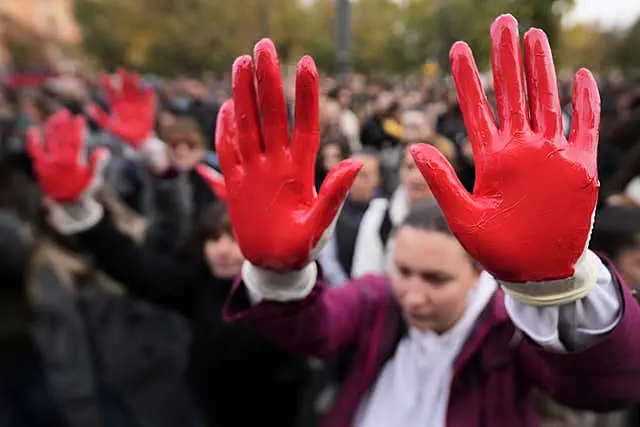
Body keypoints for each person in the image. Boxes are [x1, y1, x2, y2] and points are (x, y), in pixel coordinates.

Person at [200, 15, 640, 427]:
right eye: (404, 271)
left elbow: (610, 385)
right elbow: (315, 329)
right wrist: (278, 278)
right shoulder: (377, 301)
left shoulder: (507, 332)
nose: (413, 295)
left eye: (436, 279)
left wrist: (555, 288)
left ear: (477, 276)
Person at [27, 79, 310, 426]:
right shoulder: (199, 286)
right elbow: (135, 266)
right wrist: (82, 216)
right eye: (213, 239)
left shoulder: (280, 302)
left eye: (234, 240)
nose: (222, 250)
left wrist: (285, 275)